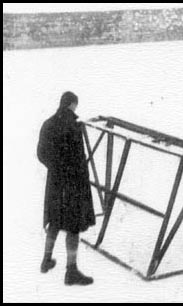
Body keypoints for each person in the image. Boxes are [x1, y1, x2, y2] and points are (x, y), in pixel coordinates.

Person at [37, 91, 95, 285]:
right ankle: (71, 271)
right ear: (72, 105)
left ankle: (46, 260)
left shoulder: (48, 123)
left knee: (54, 220)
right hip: (72, 185)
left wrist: (55, 168)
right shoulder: (73, 125)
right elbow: (79, 159)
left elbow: (41, 153)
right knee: (73, 226)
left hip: (54, 183)